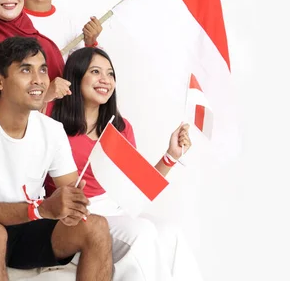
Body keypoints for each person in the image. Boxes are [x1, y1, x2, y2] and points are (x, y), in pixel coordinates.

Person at [0, 36, 113, 280]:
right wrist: (40, 209)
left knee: (96, 226)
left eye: (42, 69)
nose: (39, 79)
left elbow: (71, 191)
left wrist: (73, 203)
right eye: (25, 70)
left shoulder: (52, 130)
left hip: (26, 227)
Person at [46, 47, 203, 281]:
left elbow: (139, 185)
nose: (105, 80)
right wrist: (47, 93)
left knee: (171, 233)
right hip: (80, 213)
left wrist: (171, 155)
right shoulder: (51, 116)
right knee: (142, 232)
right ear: (76, 77)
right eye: (96, 71)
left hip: (116, 207)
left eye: (110, 74)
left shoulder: (120, 127)